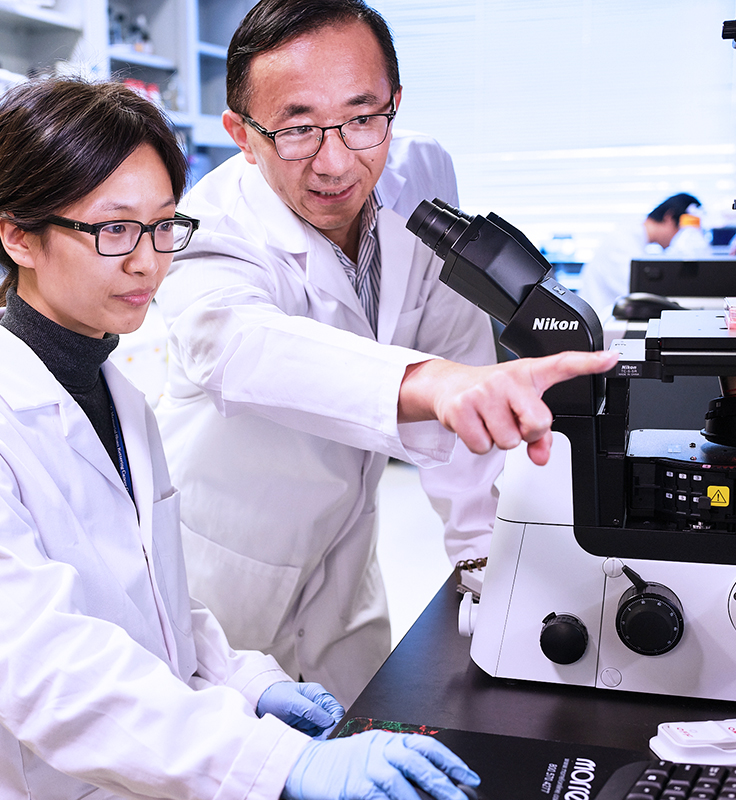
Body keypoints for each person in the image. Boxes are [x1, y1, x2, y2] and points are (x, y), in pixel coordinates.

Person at [0, 74, 486, 800]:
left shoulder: (117, 397)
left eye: (163, 225)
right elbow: (57, 681)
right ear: (18, 235)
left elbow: (160, 610)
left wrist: (252, 683)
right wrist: (277, 764)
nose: (148, 261)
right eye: (113, 230)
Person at [153, 0, 619, 707]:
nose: (336, 161)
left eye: (364, 117)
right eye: (297, 128)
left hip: (347, 555)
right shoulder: (205, 228)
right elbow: (245, 352)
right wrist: (431, 382)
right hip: (221, 574)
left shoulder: (421, 170)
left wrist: (480, 557)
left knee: (371, 734)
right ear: (242, 135)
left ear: (394, 106)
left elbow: (456, 354)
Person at [579, 192, 707, 318]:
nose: (678, 238)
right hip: (598, 324)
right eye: (680, 230)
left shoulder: (636, 240)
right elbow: (639, 294)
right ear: (668, 217)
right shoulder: (622, 242)